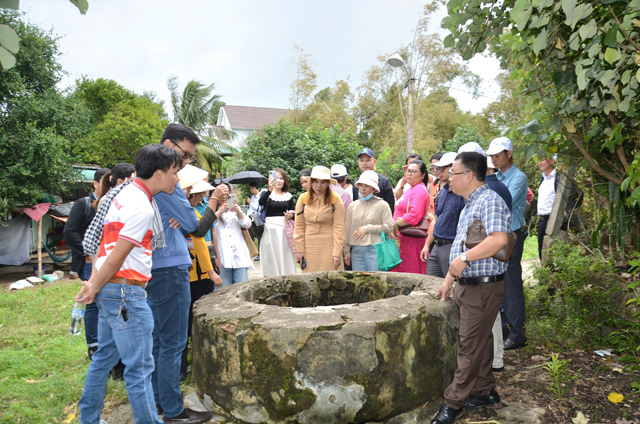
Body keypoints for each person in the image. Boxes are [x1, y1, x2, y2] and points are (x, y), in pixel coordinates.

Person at [75, 144, 182, 424]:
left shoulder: (122, 196)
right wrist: (94, 285)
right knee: (140, 368)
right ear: (158, 174)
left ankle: (89, 419)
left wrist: (94, 283)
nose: (177, 178)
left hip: (112, 290)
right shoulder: (142, 207)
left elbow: (103, 246)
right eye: (175, 172)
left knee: (104, 357)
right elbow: (117, 255)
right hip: (125, 293)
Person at [147, 124, 227, 424]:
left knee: (158, 341)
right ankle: (173, 409)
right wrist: (215, 202)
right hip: (170, 268)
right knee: (172, 343)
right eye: (184, 155)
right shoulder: (167, 184)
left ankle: (157, 401)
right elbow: (197, 228)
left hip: (155, 268)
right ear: (168, 145)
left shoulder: (150, 181)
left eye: (189, 158)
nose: (185, 164)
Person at [430, 152, 511, 424]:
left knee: (470, 346)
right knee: (481, 341)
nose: (448, 177)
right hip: (469, 286)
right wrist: (449, 280)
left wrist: (464, 259)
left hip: (482, 289)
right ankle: (484, 391)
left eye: (452, 172)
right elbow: (460, 247)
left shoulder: (489, 201)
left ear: (468, 175)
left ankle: (453, 403)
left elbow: (499, 239)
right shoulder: (469, 203)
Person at [486, 137, 528, 351]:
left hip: (511, 235)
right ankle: (503, 328)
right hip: (498, 234)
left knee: (511, 283)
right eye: (492, 156)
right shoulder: (497, 176)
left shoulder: (518, 177)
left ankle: (518, 332)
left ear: (509, 153)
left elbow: (503, 203)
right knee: (499, 281)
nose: (494, 159)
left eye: (498, 155)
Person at [64, 167, 110, 359]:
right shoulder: (83, 204)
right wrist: (88, 252)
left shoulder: (111, 204)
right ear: (95, 183)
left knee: (105, 303)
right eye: (105, 183)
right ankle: (93, 346)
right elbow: (69, 231)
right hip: (90, 262)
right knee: (92, 304)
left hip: (107, 261)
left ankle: (106, 345)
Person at [180, 179, 222, 380]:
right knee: (193, 322)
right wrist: (211, 271)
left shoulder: (186, 213)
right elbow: (200, 247)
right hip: (195, 276)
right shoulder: (190, 215)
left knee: (185, 322)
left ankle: (185, 365)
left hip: (192, 274)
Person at [421, 153, 465, 278]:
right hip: (436, 245)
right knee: (431, 284)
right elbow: (435, 220)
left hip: (452, 245)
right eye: (437, 168)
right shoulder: (442, 192)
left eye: (442, 168)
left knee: (450, 286)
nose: (438, 172)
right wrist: (427, 245)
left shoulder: (462, 194)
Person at [294, 166, 345, 272]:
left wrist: (336, 253)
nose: (318, 186)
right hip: (309, 245)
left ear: (328, 184)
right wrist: (300, 250)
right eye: (315, 181)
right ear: (311, 182)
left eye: (322, 182)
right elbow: (299, 226)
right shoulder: (303, 199)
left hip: (329, 244)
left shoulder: (336, 200)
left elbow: (339, 228)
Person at [343, 170, 393, 272]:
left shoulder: (382, 205)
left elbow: (389, 227)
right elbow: (348, 229)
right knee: (359, 283)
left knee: (376, 283)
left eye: (367, 186)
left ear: (374, 188)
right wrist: (346, 250)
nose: (363, 188)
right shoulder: (353, 206)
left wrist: (368, 228)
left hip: (375, 249)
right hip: (356, 250)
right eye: (361, 185)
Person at [212, 182, 254, 286]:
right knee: (223, 290)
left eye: (226, 194)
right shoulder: (211, 210)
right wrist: (220, 211)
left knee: (241, 288)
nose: (224, 197)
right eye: (221, 193)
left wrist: (238, 212)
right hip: (222, 256)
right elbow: (208, 225)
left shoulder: (234, 210)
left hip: (238, 255)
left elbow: (247, 224)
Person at [393, 160, 431, 274]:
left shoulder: (419, 190)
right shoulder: (411, 189)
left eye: (413, 171)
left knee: (411, 270)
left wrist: (397, 224)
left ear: (423, 175)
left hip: (412, 239)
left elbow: (415, 215)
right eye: (408, 170)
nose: (409, 174)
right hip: (404, 238)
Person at [259, 168, 297, 276]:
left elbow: (293, 212)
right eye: (276, 178)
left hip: (284, 230)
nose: (279, 180)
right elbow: (261, 203)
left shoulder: (288, 196)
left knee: (285, 255)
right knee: (270, 256)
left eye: (281, 178)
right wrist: (269, 189)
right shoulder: (266, 194)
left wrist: (290, 215)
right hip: (269, 229)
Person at [352, 148, 395, 214]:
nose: (364, 163)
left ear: (374, 162)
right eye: (361, 160)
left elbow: (390, 205)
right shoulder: (356, 182)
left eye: (368, 160)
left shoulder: (384, 181)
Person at [247, 182, 265, 257]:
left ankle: (260, 254)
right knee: (250, 235)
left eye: (251, 188)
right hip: (250, 218)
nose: (250, 190)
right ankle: (251, 253)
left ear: (254, 188)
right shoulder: (252, 197)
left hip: (257, 218)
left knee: (258, 236)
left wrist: (250, 203)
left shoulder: (260, 197)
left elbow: (258, 208)